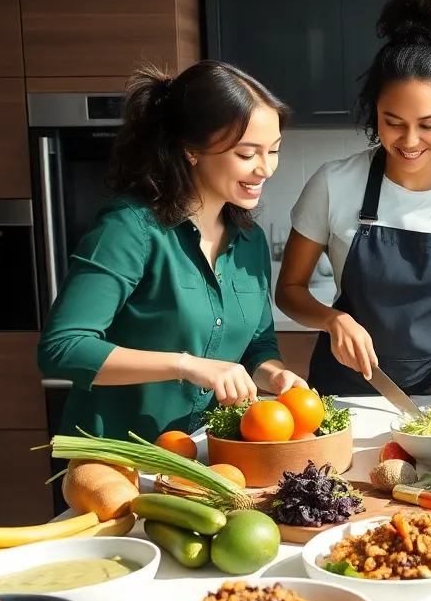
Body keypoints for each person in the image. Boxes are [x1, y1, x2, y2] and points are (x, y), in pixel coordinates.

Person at [37, 60, 308, 441]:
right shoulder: (129, 228)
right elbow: (63, 349)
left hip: (201, 457)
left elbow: (257, 347)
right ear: (192, 151)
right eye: (247, 154)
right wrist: (186, 365)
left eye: (274, 151)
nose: (265, 168)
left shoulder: (250, 241)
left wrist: (274, 374)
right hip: (117, 460)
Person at [275, 0, 431, 403]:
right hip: (341, 393)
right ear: (375, 110)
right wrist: (332, 320)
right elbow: (289, 291)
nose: (410, 140)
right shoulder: (333, 183)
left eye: (428, 123)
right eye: (393, 121)